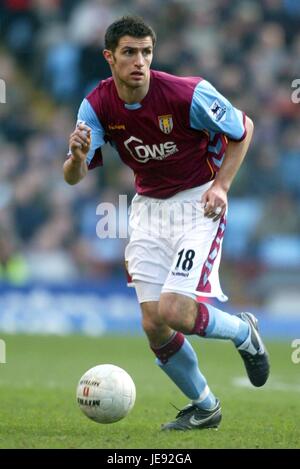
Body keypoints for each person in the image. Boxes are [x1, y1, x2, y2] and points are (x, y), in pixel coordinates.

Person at [64, 16, 270, 431]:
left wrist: (223, 186)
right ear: (110, 57)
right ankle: (205, 406)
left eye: (146, 52)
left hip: (198, 202)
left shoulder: (186, 92)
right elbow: (73, 176)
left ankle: (244, 332)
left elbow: (243, 128)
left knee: (176, 311)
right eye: (129, 52)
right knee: (154, 322)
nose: (139, 61)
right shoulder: (97, 105)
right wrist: (77, 157)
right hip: (148, 209)